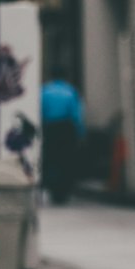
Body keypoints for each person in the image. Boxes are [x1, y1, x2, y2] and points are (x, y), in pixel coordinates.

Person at [41, 70, 85, 204]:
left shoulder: (45, 91)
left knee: (51, 158)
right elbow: (77, 114)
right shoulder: (70, 91)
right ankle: (63, 191)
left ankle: (52, 187)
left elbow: (40, 111)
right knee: (65, 160)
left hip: (50, 128)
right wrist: (80, 132)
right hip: (66, 128)